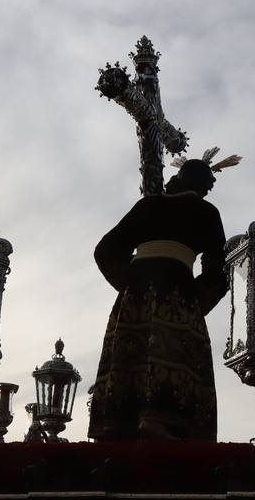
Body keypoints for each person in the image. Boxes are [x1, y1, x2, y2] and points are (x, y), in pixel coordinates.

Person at [87, 157, 228, 441]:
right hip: (178, 295)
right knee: (172, 352)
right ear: (199, 183)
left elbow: (105, 250)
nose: (208, 191)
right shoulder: (206, 212)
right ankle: (160, 420)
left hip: (135, 298)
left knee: (131, 354)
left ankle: (121, 423)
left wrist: (129, 285)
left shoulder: (147, 206)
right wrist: (194, 304)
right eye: (208, 185)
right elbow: (219, 271)